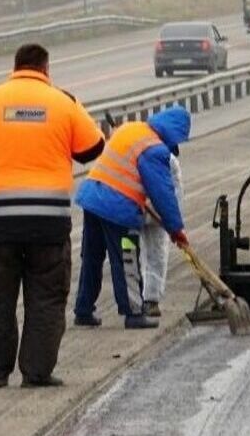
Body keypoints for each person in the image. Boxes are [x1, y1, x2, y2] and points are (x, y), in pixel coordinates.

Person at [0, 43, 105, 389]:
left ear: (16, 66)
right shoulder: (62, 101)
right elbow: (93, 148)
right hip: (49, 222)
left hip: (0, 220)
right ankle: (37, 373)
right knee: (47, 298)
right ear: (45, 68)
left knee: (0, 299)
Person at [74, 105, 191, 329]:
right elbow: (162, 193)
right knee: (127, 258)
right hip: (116, 208)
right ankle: (133, 312)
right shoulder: (154, 149)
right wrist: (176, 229)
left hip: (92, 198)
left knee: (92, 257)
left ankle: (83, 310)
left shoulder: (131, 129)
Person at [137, 147, 182, 319]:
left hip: (148, 211)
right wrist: (176, 226)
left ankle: (146, 299)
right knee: (152, 255)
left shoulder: (139, 152)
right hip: (142, 210)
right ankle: (147, 299)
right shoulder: (169, 160)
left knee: (143, 255)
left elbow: (175, 195)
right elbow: (176, 195)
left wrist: (176, 227)